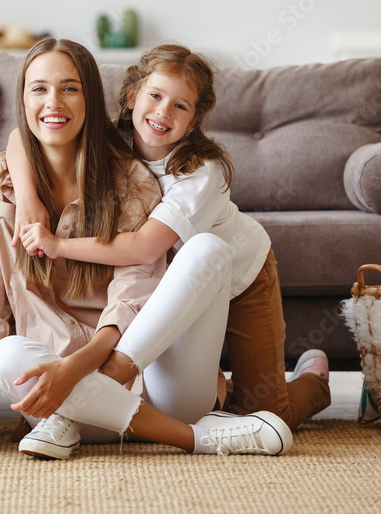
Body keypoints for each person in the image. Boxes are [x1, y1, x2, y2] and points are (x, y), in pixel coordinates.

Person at [0, 38, 292, 461]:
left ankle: (303, 383)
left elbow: (140, 267)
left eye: (70, 88)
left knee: (209, 253)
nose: (54, 101)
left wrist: (78, 368)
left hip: (151, 364)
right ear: (130, 99)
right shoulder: (4, 181)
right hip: (57, 387)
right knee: (7, 353)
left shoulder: (145, 177)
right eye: (39, 88)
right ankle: (190, 432)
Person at [17, 44, 331, 430]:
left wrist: (59, 245)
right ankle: (222, 391)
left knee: (266, 413)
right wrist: (27, 197)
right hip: (177, 284)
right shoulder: (111, 140)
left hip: (240, 277)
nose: (163, 112)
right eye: (155, 96)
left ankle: (314, 383)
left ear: (195, 119)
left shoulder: (200, 173)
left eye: (180, 106)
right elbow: (20, 137)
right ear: (131, 97)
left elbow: (146, 247)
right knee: (200, 390)